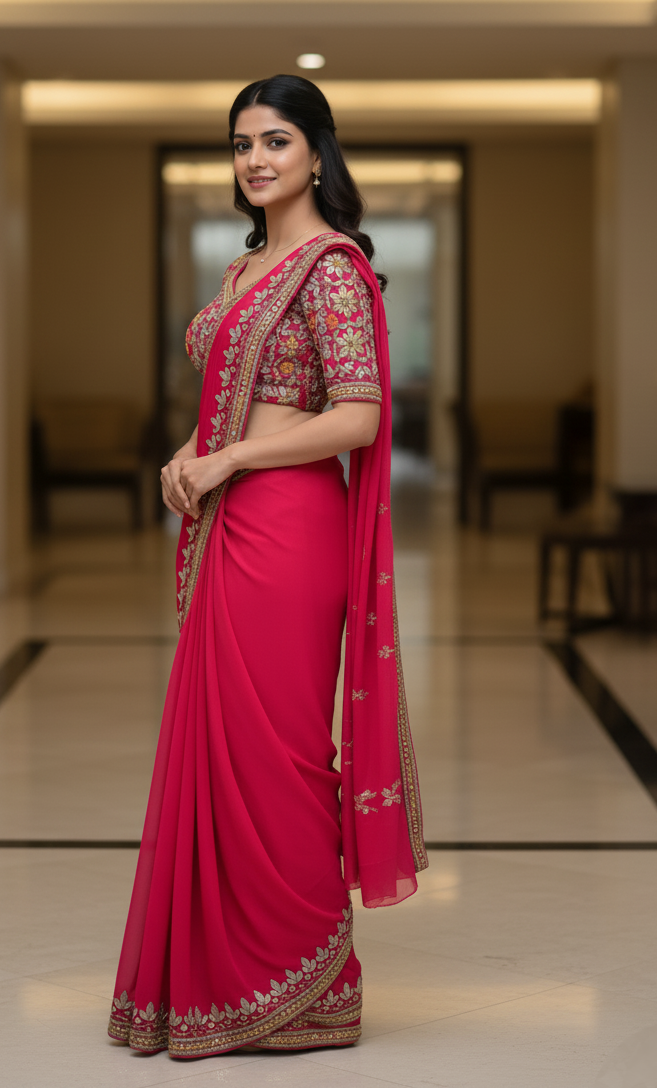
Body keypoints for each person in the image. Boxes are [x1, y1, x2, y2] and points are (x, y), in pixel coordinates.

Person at [108, 73, 427, 1060]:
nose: (255, 158)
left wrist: (233, 456)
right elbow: (230, 404)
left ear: (318, 153)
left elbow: (359, 415)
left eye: (276, 140)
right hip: (226, 521)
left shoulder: (331, 267)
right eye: (243, 142)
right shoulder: (245, 268)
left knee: (284, 749)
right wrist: (188, 455)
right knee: (221, 746)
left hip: (291, 529)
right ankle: (217, 979)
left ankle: (307, 982)